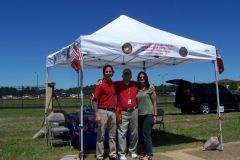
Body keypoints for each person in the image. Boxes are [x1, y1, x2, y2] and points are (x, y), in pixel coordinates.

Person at [92, 64, 118, 160]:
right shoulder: (100, 85)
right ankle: (99, 156)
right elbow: (95, 100)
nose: (108, 73)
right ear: (104, 73)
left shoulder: (114, 84)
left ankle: (112, 154)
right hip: (102, 111)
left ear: (112, 72)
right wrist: (97, 114)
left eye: (110, 71)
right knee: (101, 136)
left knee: (112, 136)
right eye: (106, 71)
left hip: (112, 112)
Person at [114, 68, 138, 160]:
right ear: (122, 75)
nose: (126, 76)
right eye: (125, 74)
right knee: (121, 133)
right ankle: (122, 153)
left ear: (131, 76)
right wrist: (99, 82)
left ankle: (133, 151)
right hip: (121, 111)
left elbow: (145, 85)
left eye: (128, 74)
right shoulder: (117, 84)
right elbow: (107, 84)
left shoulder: (135, 84)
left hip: (134, 110)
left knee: (134, 132)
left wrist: (151, 85)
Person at [136, 71, 157, 160]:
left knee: (146, 134)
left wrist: (155, 115)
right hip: (139, 115)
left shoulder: (150, 88)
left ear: (146, 78)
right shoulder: (137, 89)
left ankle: (149, 154)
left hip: (148, 114)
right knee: (142, 134)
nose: (142, 78)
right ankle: (145, 153)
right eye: (140, 77)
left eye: (143, 77)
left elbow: (155, 102)